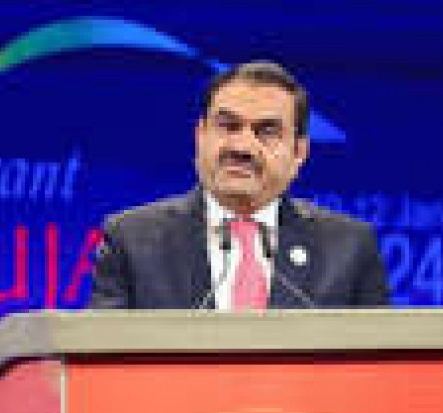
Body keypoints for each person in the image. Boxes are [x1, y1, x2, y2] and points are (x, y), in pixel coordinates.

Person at [91, 60, 389, 309]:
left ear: (299, 152)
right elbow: (102, 357)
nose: (242, 146)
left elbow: (379, 359)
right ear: (200, 136)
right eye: (228, 126)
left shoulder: (349, 248)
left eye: (266, 131)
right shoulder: (131, 241)